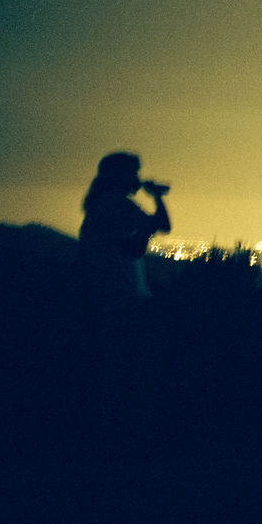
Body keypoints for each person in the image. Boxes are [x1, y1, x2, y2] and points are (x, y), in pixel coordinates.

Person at [77, 152, 171, 455]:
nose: (136, 178)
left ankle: (113, 439)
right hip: (122, 302)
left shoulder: (103, 205)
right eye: (133, 172)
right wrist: (156, 199)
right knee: (126, 371)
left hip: (113, 300)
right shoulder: (114, 205)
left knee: (118, 369)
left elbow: (144, 236)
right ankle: (118, 441)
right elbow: (145, 239)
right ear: (119, 176)